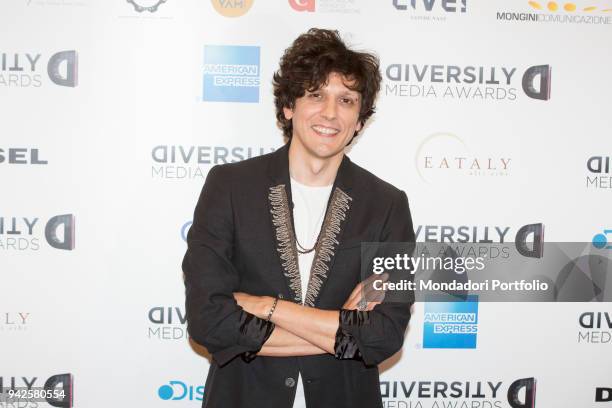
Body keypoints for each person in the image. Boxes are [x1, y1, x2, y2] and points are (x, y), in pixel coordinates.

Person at [182, 28, 415, 408]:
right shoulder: (229, 187)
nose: (330, 113)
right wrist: (341, 328)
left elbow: (384, 335)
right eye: (315, 95)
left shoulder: (386, 205)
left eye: (346, 100)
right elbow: (209, 321)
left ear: (359, 119)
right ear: (289, 106)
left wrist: (266, 306)